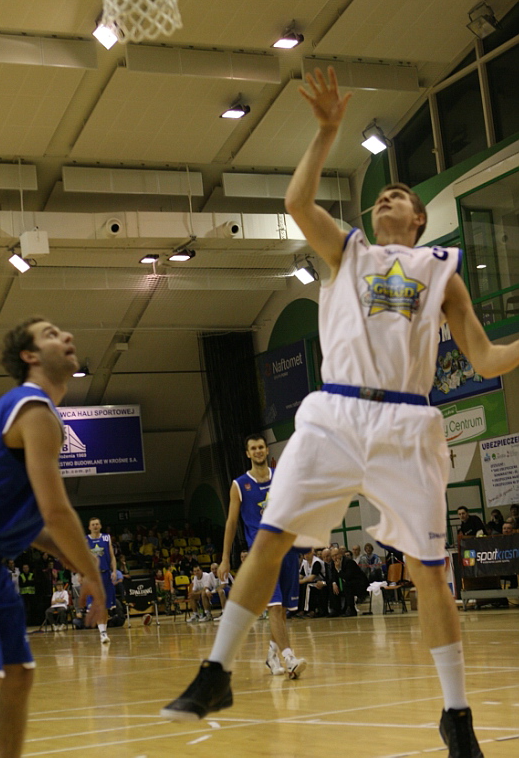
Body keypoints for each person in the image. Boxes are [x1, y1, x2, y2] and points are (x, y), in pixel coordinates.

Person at [161, 66, 519, 756]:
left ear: (417, 220)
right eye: (380, 194)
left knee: (429, 571)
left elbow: (483, 360)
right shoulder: (347, 251)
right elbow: (297, 202)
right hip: (334, 415)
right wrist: (326, 131)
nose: (387, 198)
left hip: (409, 422)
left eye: (399, 195)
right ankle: (216, 671)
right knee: (271, 536)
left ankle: (456, 716)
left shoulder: (441, 272)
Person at [0, 317, 106, 758]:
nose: (68, 336)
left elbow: (29, 521)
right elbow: (56, 511)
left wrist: (66, 555)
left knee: (17, 674)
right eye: (51, 334)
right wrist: (91, 574)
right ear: (29, 356)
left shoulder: (28, 410)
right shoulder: (32, 409)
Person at [216, 434, 305, 677]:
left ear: (267, 450)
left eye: (261, 447)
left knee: (283, 609)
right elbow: (231, 523)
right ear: (248, 453)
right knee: (274, 606)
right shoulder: (239, 485)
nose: (257, 451)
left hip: (286, 549)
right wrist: (225, 558)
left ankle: (271, 655)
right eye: (253, 448)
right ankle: (290, 658)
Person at [86, 517, 117, 644]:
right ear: (89, 527)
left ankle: (103, 631)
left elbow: (112, 556)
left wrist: (114, 571)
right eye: (93, 524)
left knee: (105, 605)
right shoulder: (85, 540)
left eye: (97, 524)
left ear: (100, 526)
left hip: (105, 574)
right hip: (93, 576)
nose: (95, 526)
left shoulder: (106, 538)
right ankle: (102, 632)